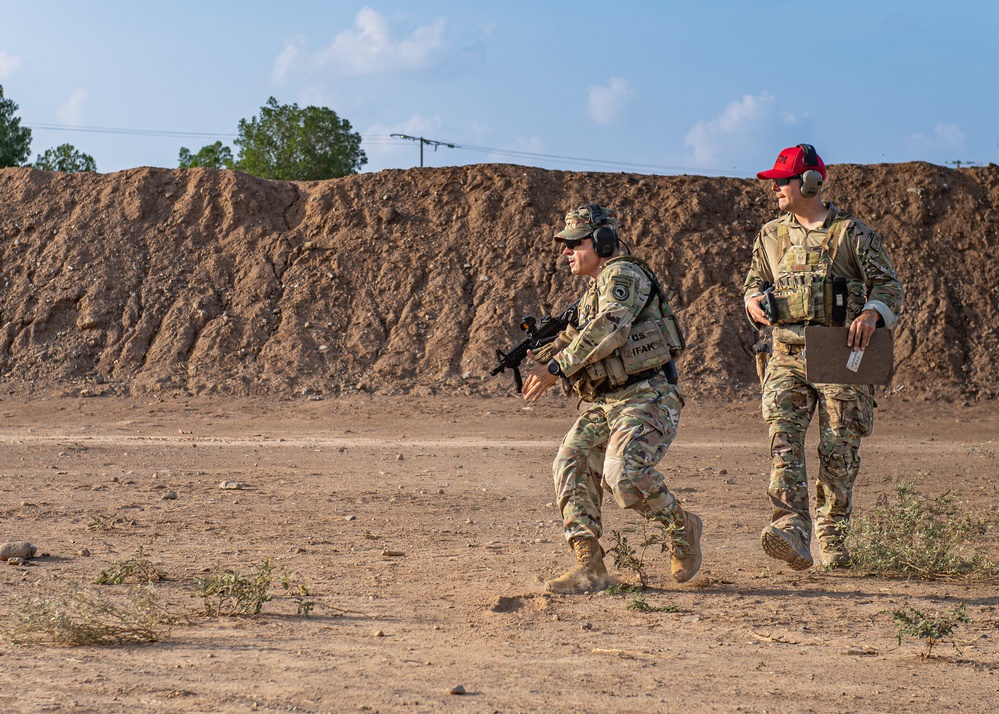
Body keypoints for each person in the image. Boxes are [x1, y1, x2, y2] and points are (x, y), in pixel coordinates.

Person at [522, 203, 703, 594]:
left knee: (623, 476)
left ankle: (682, 527)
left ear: (603, 241)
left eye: (574, 243)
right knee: (570, 462)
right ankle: (591, 567)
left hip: (648, 396)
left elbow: (610, 329)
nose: (566, 252)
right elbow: (580, 337)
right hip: (606, 402)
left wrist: (557, 369)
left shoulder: (623, 275)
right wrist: (547, 354)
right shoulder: (592, 292)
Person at [744, 144, 904, 570]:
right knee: (784, 442)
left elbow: (890, 286)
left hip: (839, 353)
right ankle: (791, 529)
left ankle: (831, 537)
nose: (776, 188)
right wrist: (752, 301)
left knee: (838, 448)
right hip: (785, 353)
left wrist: (873, 312)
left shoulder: (852, 234)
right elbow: (754, 282)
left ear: (811, 182)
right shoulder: (770, 235)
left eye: (783, 180)